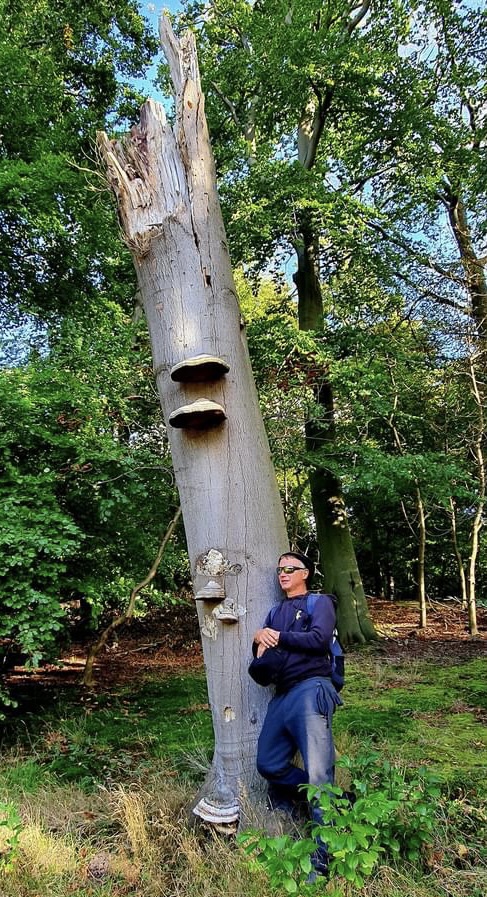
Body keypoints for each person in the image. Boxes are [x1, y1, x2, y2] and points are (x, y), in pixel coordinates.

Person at [252, 551, 342, 875]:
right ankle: (339, 801)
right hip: (281, 695)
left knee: (319, 775)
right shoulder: (275, 611)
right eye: (280, 569)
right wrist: (259, 637)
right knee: (268, 762)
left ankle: (323, 859)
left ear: (305, 573)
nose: (283, 573)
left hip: (310, 689)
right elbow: (263, 650)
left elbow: (319, 640)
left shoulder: (320, 603)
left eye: (290, 568)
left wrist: (278, 637)